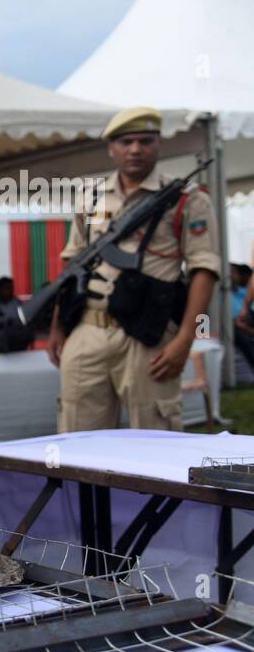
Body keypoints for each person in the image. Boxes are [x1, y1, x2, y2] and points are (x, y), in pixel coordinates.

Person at [47, 107, 220, 432]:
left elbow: (204, 271)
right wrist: (58, 326)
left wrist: (186, 340)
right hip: (88, 328)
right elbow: (72, 265)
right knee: (78, 442)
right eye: (126, 141)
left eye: (145, 140)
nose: (136, 149)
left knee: (156, 437)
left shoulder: (186, 198)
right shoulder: (91, 198)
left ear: (159, 144)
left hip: (148, 334)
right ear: (111, 147)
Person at [0, 276, 32, 353]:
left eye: (11, 288)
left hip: (16, 333)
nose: (10, 291)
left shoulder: (17, 303)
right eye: (6, 288)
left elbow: (23, 319)